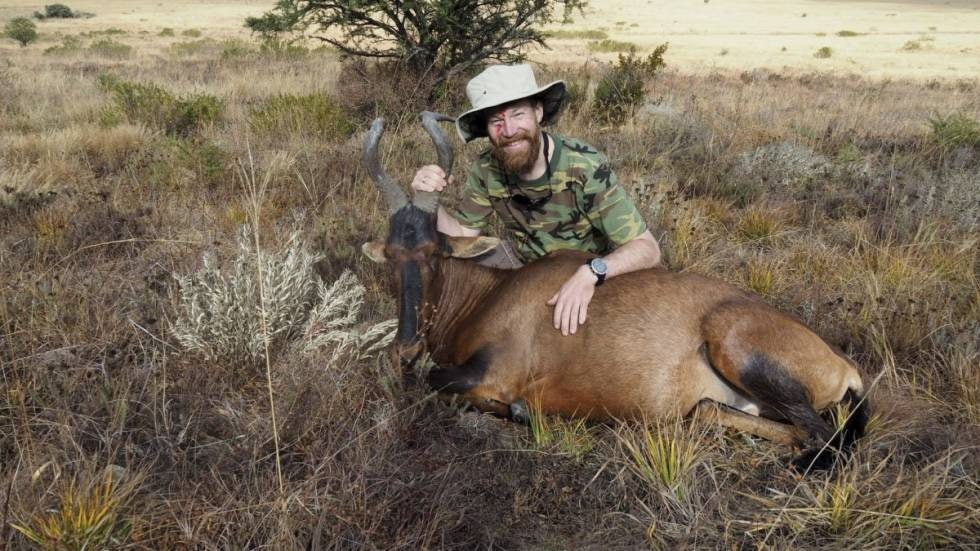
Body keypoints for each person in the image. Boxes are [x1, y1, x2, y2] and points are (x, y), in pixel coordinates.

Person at [412, 64, 661, 337]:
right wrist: (428, 198)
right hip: (521, 266)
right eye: (496, 121)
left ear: (539, 112)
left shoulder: (585, 165)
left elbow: (647, 248)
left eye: (518, 114)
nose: (508, 130)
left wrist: (592, 273)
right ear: (487, 129)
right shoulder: (486, 169)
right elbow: (462, 234)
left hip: (580, 268)